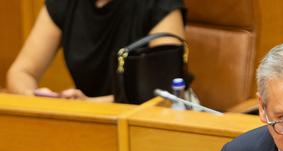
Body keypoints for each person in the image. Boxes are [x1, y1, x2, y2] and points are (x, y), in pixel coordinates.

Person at [6, 0, 185, 102]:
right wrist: (33, 97)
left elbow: (166, 93)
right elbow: (21, 72)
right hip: (88, 120)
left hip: (146, 122)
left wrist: (90, 104)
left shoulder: (159, 3)